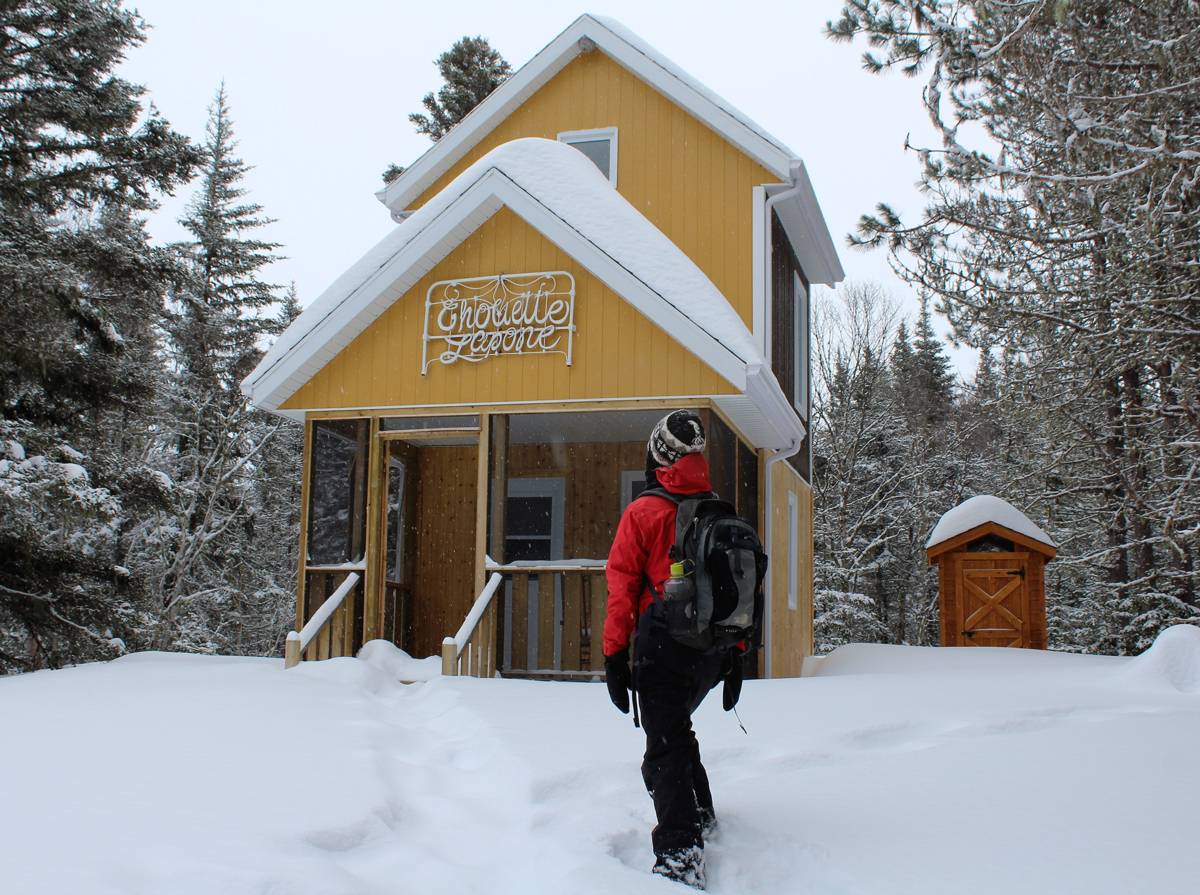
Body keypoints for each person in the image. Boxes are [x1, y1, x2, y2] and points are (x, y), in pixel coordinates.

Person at [603, 410, 744, 891]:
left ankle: (680, 857)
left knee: (663, 750)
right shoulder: (718, 510)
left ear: (657, 455)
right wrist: (736, 654)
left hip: (663, 647)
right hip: (711, 652)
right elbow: (739, 588)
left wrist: (613, 656)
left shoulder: (644, 512)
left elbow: (622, 588)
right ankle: (701, 814)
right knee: (674, 734)